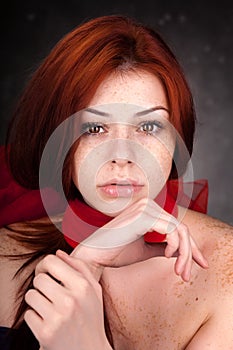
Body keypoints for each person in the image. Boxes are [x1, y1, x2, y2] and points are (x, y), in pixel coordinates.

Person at [0, 14, 232, 350]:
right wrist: (85, 260)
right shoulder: (4, 251)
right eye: (94, 128)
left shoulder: (227, 275)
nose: (122, 155)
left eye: (148, 127)